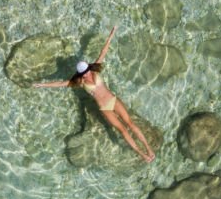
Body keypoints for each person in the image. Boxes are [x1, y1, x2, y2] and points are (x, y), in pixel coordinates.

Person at [32, 26, 155, 162]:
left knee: (130, 123)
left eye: (88, 70)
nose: (87, 74)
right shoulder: (79, 82)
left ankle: (148, 148)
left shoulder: (94, 69)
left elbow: (103, 52)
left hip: (112, 100)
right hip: (104, 108)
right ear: (80, 74)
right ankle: (141, 153)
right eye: (84, 73)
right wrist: (42, 84)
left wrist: (112, 34)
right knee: (123, 130)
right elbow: (61, 83)